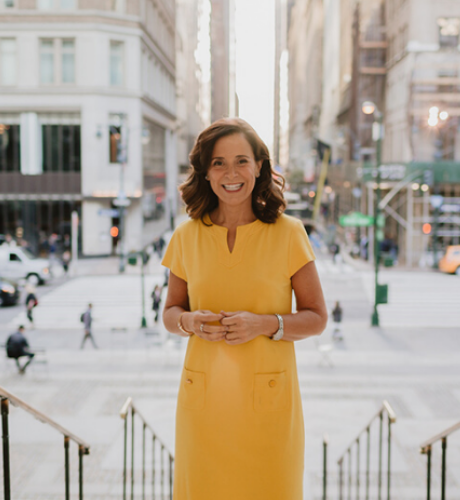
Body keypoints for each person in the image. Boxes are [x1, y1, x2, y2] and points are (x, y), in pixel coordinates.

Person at [162, 118, 328, 500]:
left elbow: (317, 317)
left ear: (259, 167)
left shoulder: (289, 233)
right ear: (205, 171)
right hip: (203, 409)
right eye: (218, 162)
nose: (230, 173)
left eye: (241, 160)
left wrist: (266, 324)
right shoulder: (186, 236)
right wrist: (189, 321)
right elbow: (171, 312)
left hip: (268, 409)